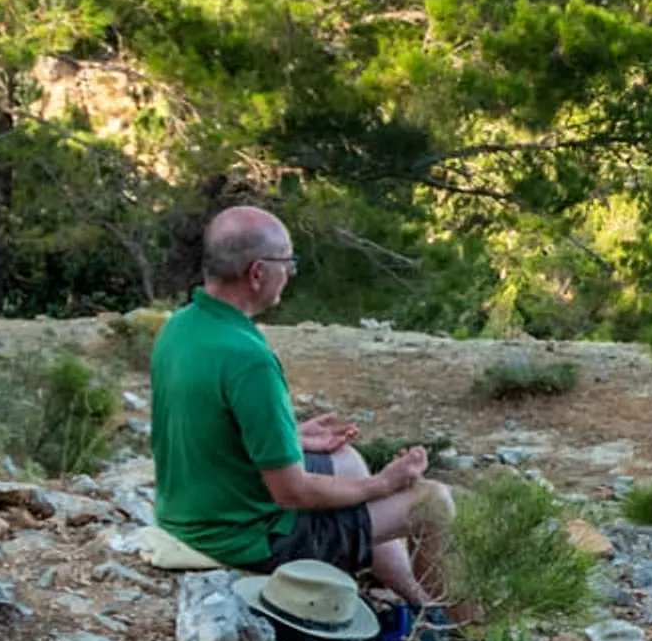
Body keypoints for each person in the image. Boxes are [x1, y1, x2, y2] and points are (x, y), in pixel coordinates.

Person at [151, 207, 459, 614]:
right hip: (247, 539)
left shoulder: (181, 326)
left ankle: (416, 599)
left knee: (345, 460)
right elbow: (291, 492)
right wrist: (385, 483)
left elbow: (209, 426)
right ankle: (462, 630)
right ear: (257, 273)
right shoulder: (248, 359)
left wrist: (289, 437)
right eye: (287, 262)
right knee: (433, 503)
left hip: (192, 510)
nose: (291, 272)